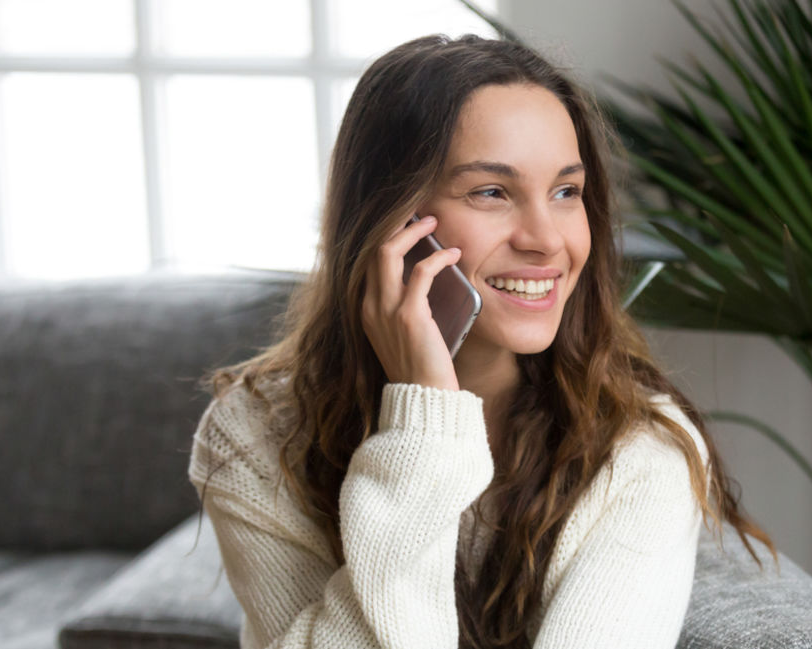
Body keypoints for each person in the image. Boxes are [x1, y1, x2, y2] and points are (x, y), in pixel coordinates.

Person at [187, 33, 777, 649]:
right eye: (491, 192)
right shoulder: (252, 435)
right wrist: (424, 426)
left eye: (566, 192)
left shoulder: (641, 451)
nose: (547, 240)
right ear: (390, 221)